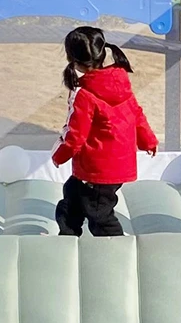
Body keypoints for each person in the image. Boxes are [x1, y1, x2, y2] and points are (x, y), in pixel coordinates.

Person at [51, 25, 157, 237]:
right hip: (115, 165)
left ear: (73, 59)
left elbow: (76, 135)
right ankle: (67, 238)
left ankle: (118, 249)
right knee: (71, 196)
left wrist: (59, 156)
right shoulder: (119, 82)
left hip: (98, 171)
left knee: (100, 216)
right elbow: (136, 114)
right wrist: (148, 140)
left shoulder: (85, 94)